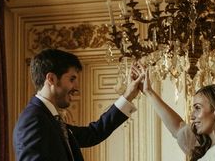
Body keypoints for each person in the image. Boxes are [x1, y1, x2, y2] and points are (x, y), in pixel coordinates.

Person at [13, 48, 143, 161]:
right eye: (72, 79)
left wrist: (128, 95)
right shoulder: (33, 120)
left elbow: (93, 134)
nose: (77, 87)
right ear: (51, 79)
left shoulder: (48, 118)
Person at [143, 70, 215, 161]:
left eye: (197, 108)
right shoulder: (206, 147)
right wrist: (148, 91)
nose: (192, 116)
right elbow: (178, 128)